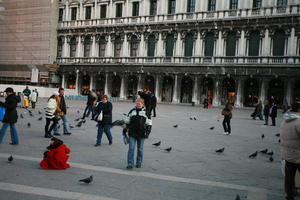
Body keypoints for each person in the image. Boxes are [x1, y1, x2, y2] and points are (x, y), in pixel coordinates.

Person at [123, 98, 152, 169]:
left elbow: (149, 123)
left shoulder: (146, 112)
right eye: (137, 103)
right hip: (132, 132)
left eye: (140, 103)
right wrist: (124, 130)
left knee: (140, 149)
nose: (138, 104)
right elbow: (127, 121)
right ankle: (130, 163)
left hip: (141, 133)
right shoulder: (132, 111)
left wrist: (147, 132)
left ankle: (139, 162)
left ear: (143, 104)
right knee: (131, 148)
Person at [280, 110, 300, 200]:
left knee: (289, 177)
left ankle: (289, 194)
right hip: (298, 155)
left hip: (287, 154)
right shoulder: (298, 122)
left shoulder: (284, 121)